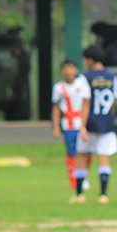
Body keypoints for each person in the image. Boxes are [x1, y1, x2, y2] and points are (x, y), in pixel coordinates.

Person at [74, 45, 117, 204]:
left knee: (81, 154)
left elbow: (86, 103)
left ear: (90, 60)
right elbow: (115, 101)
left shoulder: (85, 78)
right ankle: (103, 194)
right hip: (106, 122)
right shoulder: (113, 77)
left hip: (90, 122)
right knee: (103, 156)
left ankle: (79, 194)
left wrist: (82, 125)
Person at [51, 59, 91, 193]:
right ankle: (73, 180)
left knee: (86, 152)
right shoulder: (58, 88)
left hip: (82, 123)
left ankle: (83, 176)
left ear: (76, 70)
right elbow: (56, 107)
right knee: (71, 152)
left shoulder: (82, 83)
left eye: (71, 68)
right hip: (68, 124)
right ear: (62, 71)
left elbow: (86, 103)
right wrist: (56, 125)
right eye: (66, 68)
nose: (68, 71)